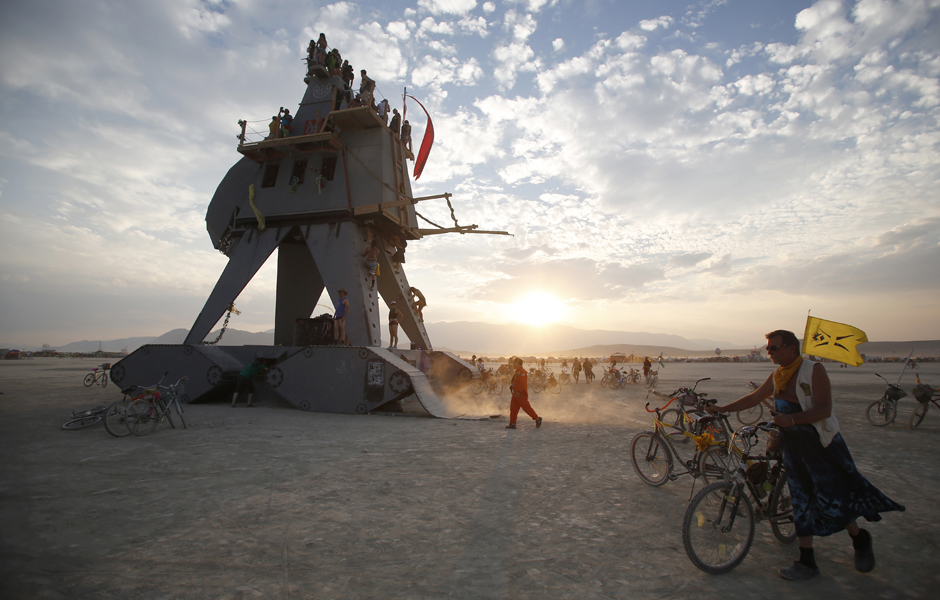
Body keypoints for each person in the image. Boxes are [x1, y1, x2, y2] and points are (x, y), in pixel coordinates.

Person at [705, 329, 905, 580]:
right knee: (801, 499)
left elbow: (824, 408)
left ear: (791, 348)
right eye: (768, 348)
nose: (769, 352)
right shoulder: (778, 374)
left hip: (820, 445)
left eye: (773, 348)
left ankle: (859, 537)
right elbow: (756, 397)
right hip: (793, 446)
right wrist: (723, 408)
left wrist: (792, 419)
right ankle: (807, 561)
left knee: (832, 497)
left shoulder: (813, 370)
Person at [506, 357, 541, 429]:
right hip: (515, 393)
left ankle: (537, 419)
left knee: (526, 408)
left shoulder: (523, 372)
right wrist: (512, 386)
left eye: (514, 363)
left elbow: (522, 383)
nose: (513, 364)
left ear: (517, 363)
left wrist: (518, 391)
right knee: (513, 408)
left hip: (520, 394)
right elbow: (516, 381)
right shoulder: (517, 371)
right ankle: (512, 423)